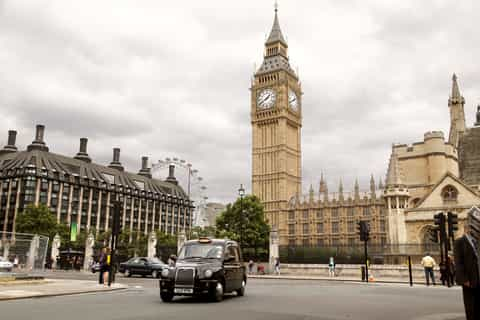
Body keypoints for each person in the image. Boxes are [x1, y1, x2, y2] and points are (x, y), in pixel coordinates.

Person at [454, 207, 480, 320]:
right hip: (469, 279)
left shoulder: (478, 242)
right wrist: (464, 279)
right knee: (471, 306)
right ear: (468, 229)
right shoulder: (460, 242)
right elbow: (458, 262)